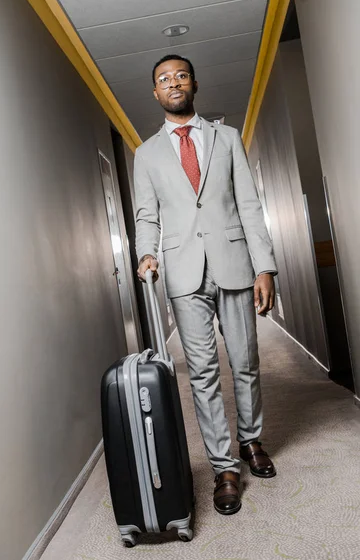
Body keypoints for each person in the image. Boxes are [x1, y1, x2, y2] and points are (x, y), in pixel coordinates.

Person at [134, 54, 277, 516]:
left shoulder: (227, 137)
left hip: (234, 261)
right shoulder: (146, 154)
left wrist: (265, 267)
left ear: (193, 83)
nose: (172, 83)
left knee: (246, 361)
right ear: (155, 93)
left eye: (179, 76)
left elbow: (249, 204)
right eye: (163, 80)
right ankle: (224, 466)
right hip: (182, 271)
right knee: (202, 373)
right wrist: (146, 251)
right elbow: (146, 213)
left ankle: (251, 440)